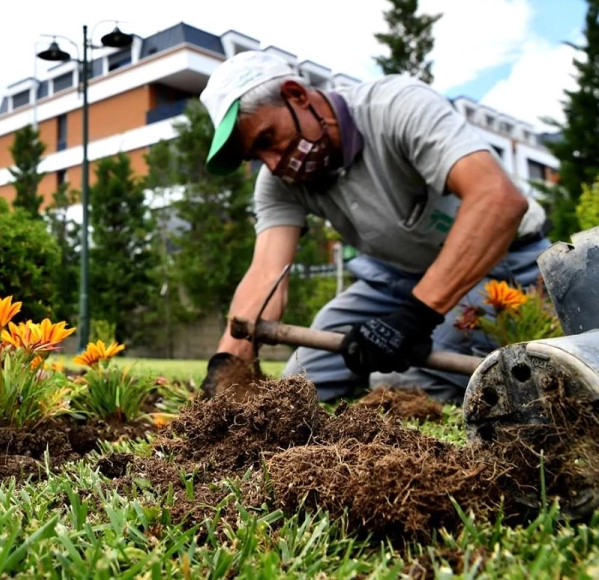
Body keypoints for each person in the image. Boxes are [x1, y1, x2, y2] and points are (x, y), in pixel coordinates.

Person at [197, 51, 548, 403]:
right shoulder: (282, 183)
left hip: (498, 268)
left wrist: (415, 318)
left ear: (296, 95)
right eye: (256, 157)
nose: (273, 165)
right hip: (393, 279)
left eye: (267, 139)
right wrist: (227, 369)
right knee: (301, 383)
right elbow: (265, 275)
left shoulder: (395, 107)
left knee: (394, 382)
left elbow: (498, 200)